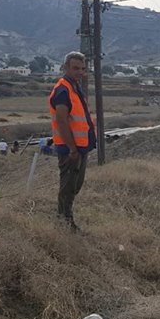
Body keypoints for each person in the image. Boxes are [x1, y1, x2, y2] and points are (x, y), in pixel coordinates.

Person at [48, 52, 96, 231]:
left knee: (75, 185)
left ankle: (65, 219)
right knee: (68, 187)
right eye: (75, 68)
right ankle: (64, 223)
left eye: (82, 69)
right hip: (71, 149)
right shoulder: (63, 90)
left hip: (80, 147)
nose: (80, 72)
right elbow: (62, 121)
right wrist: (72, 149)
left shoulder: (74, 86)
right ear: (65, 67)